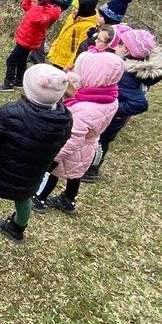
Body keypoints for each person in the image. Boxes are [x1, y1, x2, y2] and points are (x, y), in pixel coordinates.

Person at [0, 64, 72, 251]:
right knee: (24, 198)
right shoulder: (64, 119)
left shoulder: (11, 112)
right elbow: (62, 143)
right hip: (33, 173)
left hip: (1, 169)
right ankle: (17, 227)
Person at [33, 51, 124, 215]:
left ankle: (39, 198)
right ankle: (69, 199)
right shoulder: (109, 97)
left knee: (53, 172)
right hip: (89, 145)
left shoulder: (85, 110)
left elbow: (72, 140)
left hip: (70, 149)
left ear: (94, 75)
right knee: (74, 174)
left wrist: (54, 157)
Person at [81, 29, 162, 182]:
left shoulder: (126, 74)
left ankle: (91, 170)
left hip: (112, 116)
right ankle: (90, 167)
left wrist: (113, 110)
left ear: (129, 50)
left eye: (121, 44)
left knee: (101, 142)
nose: (117, 46)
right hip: (115, 114)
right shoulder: (137, 68)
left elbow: (139, 103)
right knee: (101, 141)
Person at [0, 0, 61, 92]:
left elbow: (35, 19)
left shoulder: (46, 12)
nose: (32, 3)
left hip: (28, 41)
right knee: (21, 60)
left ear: (42, 2)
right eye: (33, 1)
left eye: (35, 1)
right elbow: (24, 5)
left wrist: (38, 6)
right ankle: (19, 81)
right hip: (25, 38)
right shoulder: (35, 7)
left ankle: (8, 84)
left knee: (11, 61)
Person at [46, 0, 98, 71]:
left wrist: (69, 65)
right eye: (73, 7)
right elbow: (62, 35)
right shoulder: (72, 17)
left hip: (67, 63)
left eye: (76, 8)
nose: (73, 9)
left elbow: (80, 48)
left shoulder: (88, 26)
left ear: (84, 9)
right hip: (59, 58)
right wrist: (53, 50)